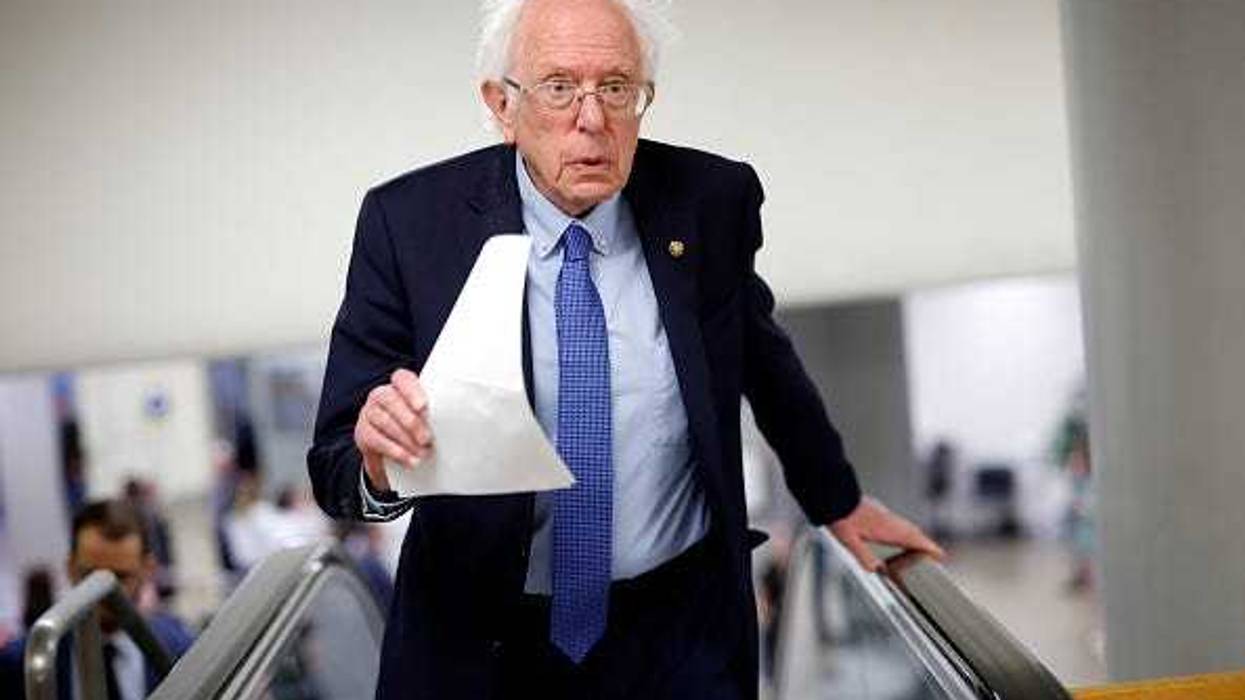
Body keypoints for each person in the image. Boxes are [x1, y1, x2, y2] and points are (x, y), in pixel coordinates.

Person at [307, 1, 942, 697]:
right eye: (557, 88)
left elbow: (762, 358)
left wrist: (835, 499)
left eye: (616, 88)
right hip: (481, 642)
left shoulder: (710, 200)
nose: (592, 119)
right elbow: (337, 462)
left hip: (678, 633)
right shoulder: (408, 225)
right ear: (500, 104)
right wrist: (377, 461)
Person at [0, 500, 195, 699]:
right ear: (70, 568)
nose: (103, 594)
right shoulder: (25, 664)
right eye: (90, 576)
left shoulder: (182, 650)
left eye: (119, 577)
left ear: (147, 570)